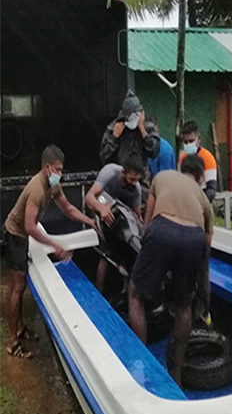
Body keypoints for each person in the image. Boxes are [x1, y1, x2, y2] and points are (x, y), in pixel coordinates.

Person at [3, 145, 97, 359]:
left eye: (62, 170)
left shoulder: (53, 186)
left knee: (22, 285)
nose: (60, 174)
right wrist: (55, 246)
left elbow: (68, 208)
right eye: (58, 169)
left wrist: (90, 221)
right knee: (17, 288)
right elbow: (29, 226)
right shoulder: (37, 188)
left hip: (23, 235)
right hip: (15, 235)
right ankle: (12, 341)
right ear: (47, 168)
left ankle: (19, 328)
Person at [127, 155, 213, 385]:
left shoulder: (162, 177)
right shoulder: (204, 201)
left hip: (162, 229)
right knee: (184, 305)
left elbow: (147, 226)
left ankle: (140, 364)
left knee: (135, 293)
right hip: (193, 239)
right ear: (201, 176)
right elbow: (205, 255)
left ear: (179, 168)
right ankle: (176, 374)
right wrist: (204, 295)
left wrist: (151, 264)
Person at [85, 157, 144, 293]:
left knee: (128, 253)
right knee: (105, 253)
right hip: (101, 209)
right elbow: (89, 197)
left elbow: (137, 217)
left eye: (136, 180)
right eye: (131, 179)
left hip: (121, 217)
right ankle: (99, 290)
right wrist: (101, 209)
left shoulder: (136, 189)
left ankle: (126, 291)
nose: (134, 183)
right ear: (123, 173)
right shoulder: (109, 173)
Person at [99, 90, 160, 177]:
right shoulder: (114, 127)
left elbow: (154, 152)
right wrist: (114, 137)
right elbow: (104, 157)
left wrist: (143, 131)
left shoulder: (148, 126)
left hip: (141, 178)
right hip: (120, 178)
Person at [178, 120, 218, 202]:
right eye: (185, 142)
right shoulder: (182, 158)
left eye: (191, 141)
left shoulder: (208, 158)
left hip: (202, 199)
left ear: (198, 139)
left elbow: (211, 190)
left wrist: (200, 204)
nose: (188, 144)